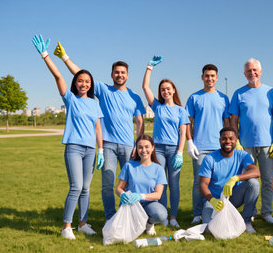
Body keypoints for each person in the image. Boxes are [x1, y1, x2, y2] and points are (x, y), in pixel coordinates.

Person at [53, 42, 146, 221]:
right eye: (116, 72)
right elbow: (79, 75)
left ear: (127, 75)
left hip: (128, 145)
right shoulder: (103, 89)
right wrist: (65, 57)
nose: (120, 75)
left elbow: (140, 121)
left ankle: (127, 217)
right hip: (107, 145)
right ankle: (111, 218)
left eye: (123, 72)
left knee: (131, 183)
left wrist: (138, 144)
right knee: (107, 185)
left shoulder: (134, 96)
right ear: (112, 75)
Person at [32, 34, 104, 239]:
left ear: (91, 84)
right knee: (76, 186)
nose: (84, 84)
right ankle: (66, 227)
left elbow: (98, 128)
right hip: (74, 147)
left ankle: (83, 223)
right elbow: (58, 76)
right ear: (76, 83)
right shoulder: (71, 99)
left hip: (91, 150)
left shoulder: (95, 102)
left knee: (86, 189)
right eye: (80, 81)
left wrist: (101, 150)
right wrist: (45, 55)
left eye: (87, 81)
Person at [229, 58, 273, 224]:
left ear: (260, 72)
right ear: (244, 74)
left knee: (267, 181)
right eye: (249, 71)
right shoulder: (239, 93)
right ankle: (249, 212)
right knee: (248, 181)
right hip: (245, 146)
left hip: (267, 145)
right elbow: (233, 120)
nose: (252, 73)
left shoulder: (271, 92)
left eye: (255, 70)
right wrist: (236, 141)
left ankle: (266, 212)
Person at [141, 56, 190, 228]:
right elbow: (145, 87)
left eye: (168, 89)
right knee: (160, 184)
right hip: (158, 150)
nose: (165, 92)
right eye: (162, 90)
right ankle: (161, 215)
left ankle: (173, 217)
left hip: (174, 150)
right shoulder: (157, 107)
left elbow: (183, 134)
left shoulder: (180, 110)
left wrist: (179, 153)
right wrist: (149, 67)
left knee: (174, 185)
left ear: (174, 90)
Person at [185, 64, 230, 224]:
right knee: (200, 181)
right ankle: (197, 214)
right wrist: (189, 142)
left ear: (216, 78)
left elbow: (227, 122)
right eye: (206, 76)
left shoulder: (224, 98)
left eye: (212, 76)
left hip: (220, 147)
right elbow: (187, 122)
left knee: (221, 180)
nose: (209, 78)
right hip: (200, 148)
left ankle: (223, 210)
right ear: (202, 77)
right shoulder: (194, 98)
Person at [199, 127, 260, 233]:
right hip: (214, 201)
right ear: (219, 140)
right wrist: (212, 200)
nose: (227, 141)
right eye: (224, 139)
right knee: (210, 230)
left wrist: (235, 178)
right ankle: (229, 218)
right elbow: (203, 184)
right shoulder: (209, 158)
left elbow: (256, 172)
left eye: (231, 138)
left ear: (236, 140)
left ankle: (246, 221)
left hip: (233, 198)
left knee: (254, 183)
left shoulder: (242, 155)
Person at [116, 135, 168, 235]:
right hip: (131, 204)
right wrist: (122, 194)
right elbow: (119, 188)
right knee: (122, 232)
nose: (144, 150)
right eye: (140, 147)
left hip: (150, 204)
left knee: (161, 214)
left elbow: (158, 195)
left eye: (147, 147)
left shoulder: (159, 169)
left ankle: (149, 224)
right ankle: (136, 223)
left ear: (152, 148)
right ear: (136, 149)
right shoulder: (129, 166)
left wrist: (140, 196)